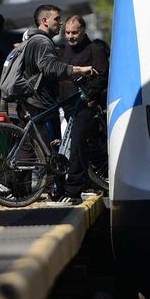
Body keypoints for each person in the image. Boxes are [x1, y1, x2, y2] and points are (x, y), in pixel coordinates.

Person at [14, 5, 96, 203]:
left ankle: (37, 189)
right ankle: (13, 184)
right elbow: (50, 68)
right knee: (47, 150)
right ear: (45, 21)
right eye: (57, 19)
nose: (60, 23)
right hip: (39, 101)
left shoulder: (34, 40)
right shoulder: (42, 42)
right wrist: (79, 70)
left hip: (34, 99)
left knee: (37, 147)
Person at [56, 15, 109, 199]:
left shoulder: (94, 49)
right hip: (66, 105)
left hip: (86, 105)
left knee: (77, 144)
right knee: (80, 146)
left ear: (83, 31)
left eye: (74, 32)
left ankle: (73, 190)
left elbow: (102, 76)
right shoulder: (62, 51)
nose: (70, 36)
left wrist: (89, 95)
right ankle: (88, 182)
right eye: (67, 33)